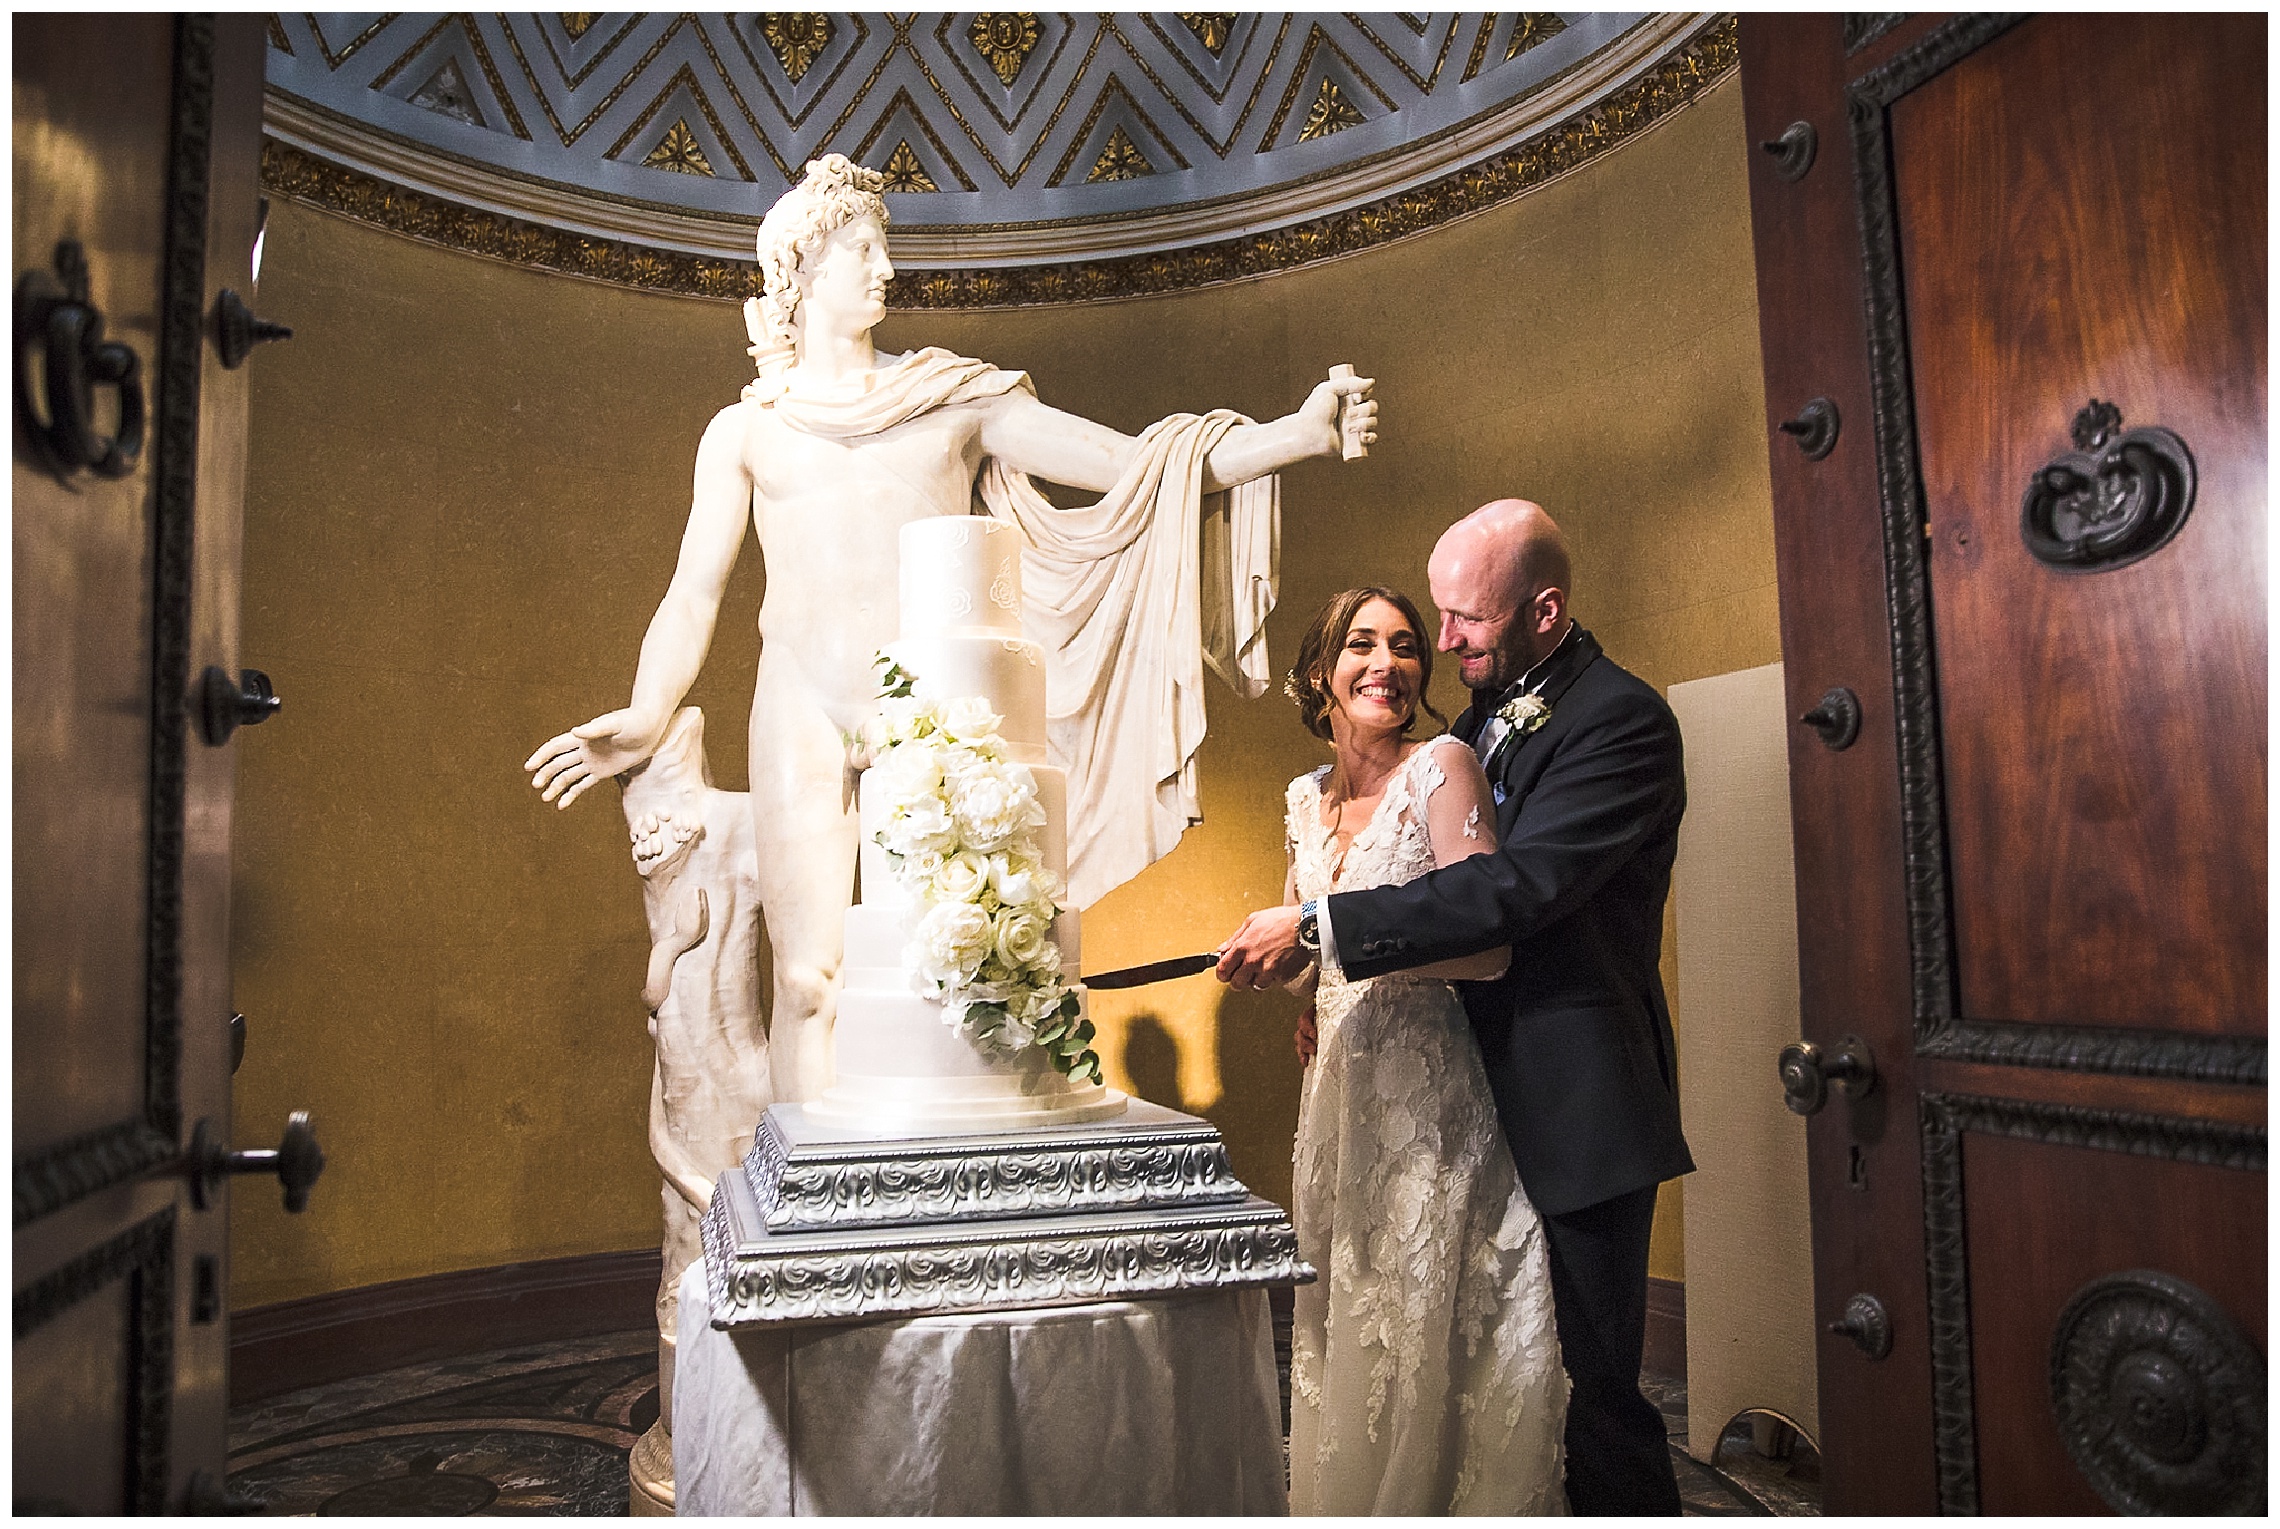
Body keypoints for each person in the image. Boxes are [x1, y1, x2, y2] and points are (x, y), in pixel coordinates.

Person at [525, 155, 1375, 1101]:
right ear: (802, 269)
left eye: (884, 248)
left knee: (947, 984)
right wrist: (649, 713)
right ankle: (811, 1220)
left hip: (931, 713)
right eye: (861, 249)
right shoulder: (748, 430)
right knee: (807, 982)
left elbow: (1124, 463)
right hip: (799, 702)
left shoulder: (949, 398)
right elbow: (694, 590)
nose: (885, 269)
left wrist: (1292, 436)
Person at [1218, 499, 1694, 1516]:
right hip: (1461, 1099)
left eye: (1461, 618)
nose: (1442, 643)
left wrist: (1320, 928)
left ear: (1545, 608)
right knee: (1480, 1385)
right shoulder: (1480, 719)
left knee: (1590, 1393)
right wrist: (1334, 992)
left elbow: (1511, 894)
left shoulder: (1621, 721)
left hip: (1574, 1104)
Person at [1270, 584, 1567, 1514]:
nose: (1387, 663)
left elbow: (1485, 940)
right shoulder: (1303, 796)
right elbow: (1311, 938)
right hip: (1337, 1107)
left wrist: (1319, 943)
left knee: (1425, 1319)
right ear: (1322, 671)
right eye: (1361, 643)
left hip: (1427, 1102)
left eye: (1405, 646)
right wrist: (1286, 980)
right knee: (1349, 1318)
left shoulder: (1442, 766)